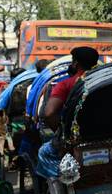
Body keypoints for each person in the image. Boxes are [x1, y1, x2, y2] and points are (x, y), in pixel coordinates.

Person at [35, 46, 100, 178]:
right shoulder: (105, 81)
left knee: (44, 152)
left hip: (78, 137)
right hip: (105, 132)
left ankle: (63, 179)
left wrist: (63, 135)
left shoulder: (65, 85)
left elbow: (49, 113)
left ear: (75, 63)